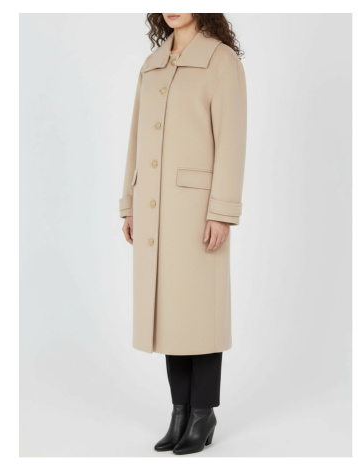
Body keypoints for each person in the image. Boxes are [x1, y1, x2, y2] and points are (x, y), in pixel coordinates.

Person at [119, 13, 247, 455]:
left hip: (196, 211)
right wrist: (129, 202)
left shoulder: (221, 61)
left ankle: (203, 413)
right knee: (170, 312)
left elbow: (231, 140)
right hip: (154, 209)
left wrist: (222, 212)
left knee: (200, 312)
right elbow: (136, 139)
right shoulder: (152, 65)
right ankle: (180, 411)